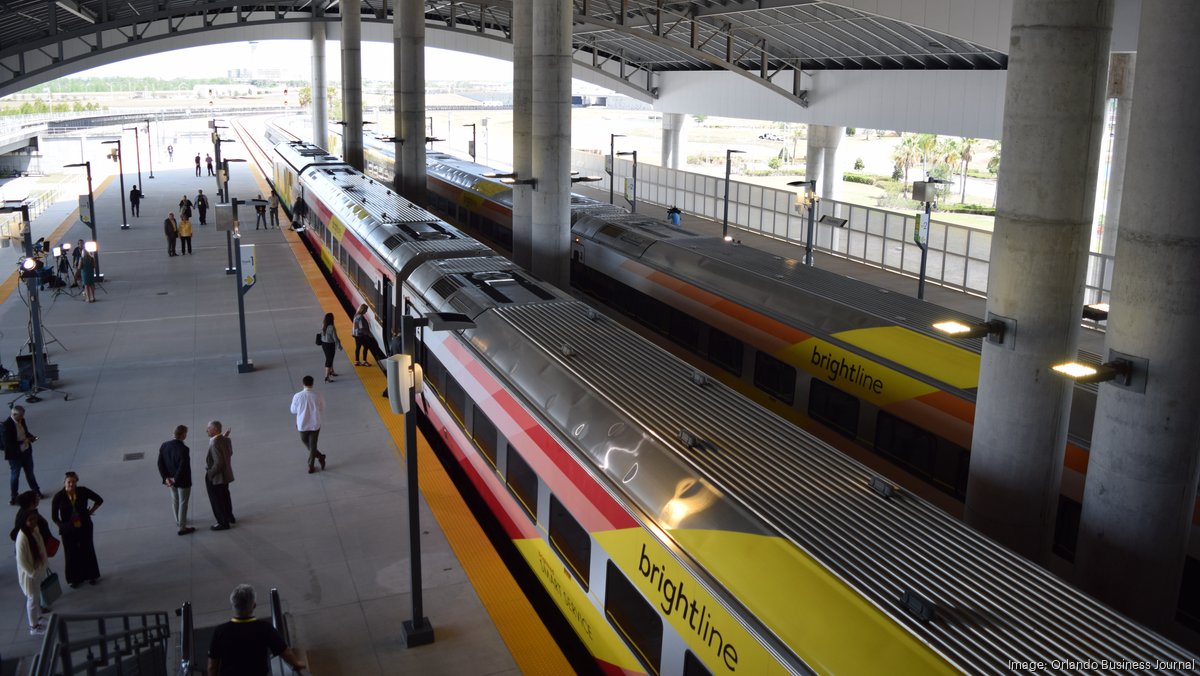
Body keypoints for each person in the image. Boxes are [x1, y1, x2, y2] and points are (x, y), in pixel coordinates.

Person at [207, 584, 306, 676]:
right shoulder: (264, 628)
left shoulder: (220, 631)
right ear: (254, 605)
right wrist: (297, 663)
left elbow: (212, 666)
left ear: (233, 605)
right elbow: (285, 652)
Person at [51, 471, 103, 588]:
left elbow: (99, 500)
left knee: (87, 549)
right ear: (64, 482)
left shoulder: (83, 491)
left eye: (73, 482)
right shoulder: (59, 496)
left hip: (84, 526)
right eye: (69, 482)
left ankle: (91, 575)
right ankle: (74, 579)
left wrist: (90, 512)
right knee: (71, 553)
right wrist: (62, 527)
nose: (71, 484)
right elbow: (54, 517)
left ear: (76, 482)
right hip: (68, 529)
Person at [15, 507, 49, 636]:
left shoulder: (34, 529)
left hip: (37, 569)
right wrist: (33, 573)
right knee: (32, 599)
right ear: (24, 521)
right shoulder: (22, 538)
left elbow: (40, 546)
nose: (34, 521)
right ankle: (33, 626)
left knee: (37, 595)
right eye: (30, 520)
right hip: (30, 575)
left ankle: (39, 617)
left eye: (35, 518)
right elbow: (21, 560)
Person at [157, 425, 195, 535]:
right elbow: (183, 467)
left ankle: (178, 521)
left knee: (175, 501)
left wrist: (166, 478)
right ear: (183, 435)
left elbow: (160, 463)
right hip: (182, 481)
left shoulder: (164, 445)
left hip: (170, 480)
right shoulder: (184, 449)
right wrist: (175, 480)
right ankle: (182, 528)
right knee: (183, 502)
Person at [5, 405, 44, 504]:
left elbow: (25, 433)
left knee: (30, 473)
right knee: (15, 475)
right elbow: (8, 444)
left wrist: (31, 437)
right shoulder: (6, 425)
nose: (22, 417)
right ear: (14, 414)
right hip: (15, 456)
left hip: (26, 452)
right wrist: (24, 441)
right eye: (20, 416)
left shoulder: (22, 420)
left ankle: (36, 491)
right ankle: (14, 497)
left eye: (23, 415)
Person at [290, 376, 327, 474]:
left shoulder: (297, 396)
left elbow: (293, 410)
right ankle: (320, 456)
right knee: (312, 445)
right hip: (315, 424)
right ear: (312, 384)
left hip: (302, 424)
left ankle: (311, 466)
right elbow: (322, 407)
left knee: (307, 442)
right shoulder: (318, 395)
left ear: (303, 384)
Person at [204, 421, 235, 531]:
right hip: (226, 475)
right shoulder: (226, 440)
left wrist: (210, 474)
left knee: (217, 500)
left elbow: (219, 463)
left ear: (215, 430)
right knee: (225, 497)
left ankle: (222, 522)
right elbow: (229, 453)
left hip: (217, 477)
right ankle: (229, 516)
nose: (206, 430)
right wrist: (224, 436)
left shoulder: (215, 443)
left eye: (208, 428)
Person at [319, 312, 342, 383]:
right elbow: (335, 338)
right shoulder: (332, 327)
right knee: (329, 360)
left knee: (329, 358)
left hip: (324, 344)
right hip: (330, 345)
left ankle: (332, 371)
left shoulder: (323, 325)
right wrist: (339, 346)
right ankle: (327, 376)